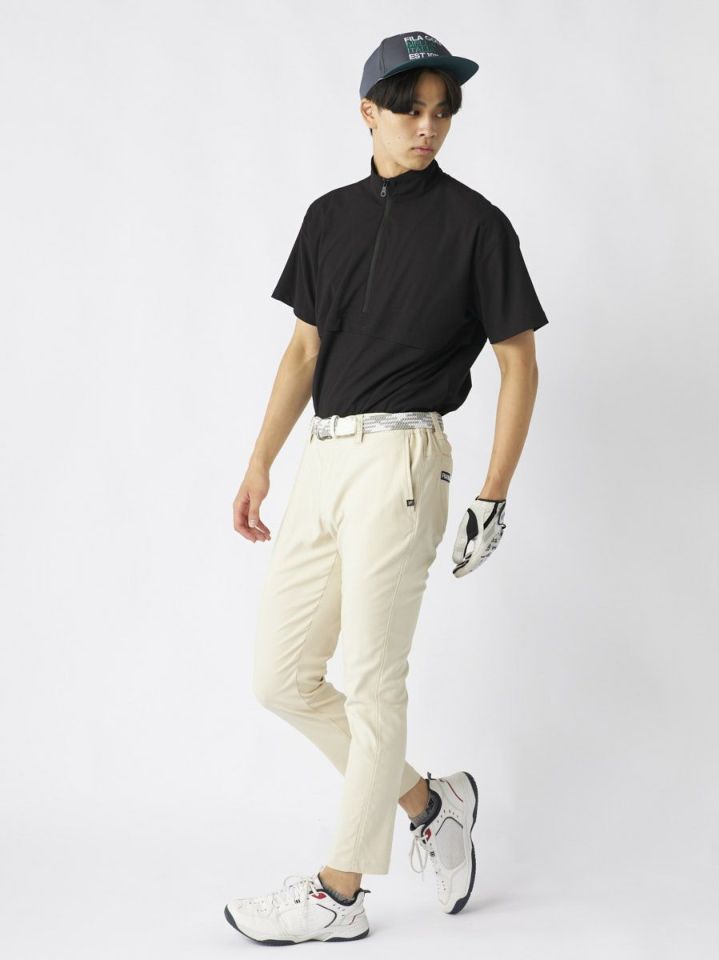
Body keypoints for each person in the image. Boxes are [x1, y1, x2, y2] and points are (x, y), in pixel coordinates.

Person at [225, 30, 549, 945]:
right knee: (282, 678)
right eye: (410, 109)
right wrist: (260, 461)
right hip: (326, 456)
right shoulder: (328, 217)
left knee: (372, 682)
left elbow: (519, 361)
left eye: (442, 111)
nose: (428, 126)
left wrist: (494, 490)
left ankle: (339, 895)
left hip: (406, 459)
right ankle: (430, 806)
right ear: (368, 111)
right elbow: (304, 351)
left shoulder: (478, 225)